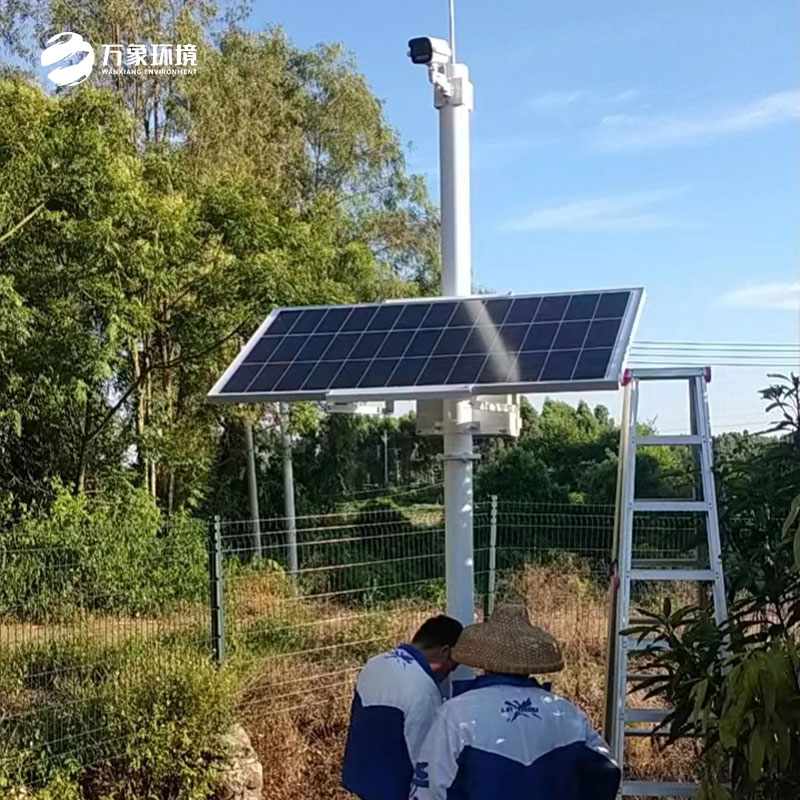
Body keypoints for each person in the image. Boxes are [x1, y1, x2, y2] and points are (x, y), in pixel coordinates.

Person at [410, 604, 620, 800]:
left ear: (482, 661)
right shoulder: (565, 713)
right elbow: (609, 770)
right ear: (532, 663)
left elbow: (431, 788)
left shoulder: (456, 713)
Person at [342, 614, 463, 800]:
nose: (447, 675)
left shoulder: (375, 663)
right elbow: (424, 762)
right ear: (445, 652)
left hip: (361, 775)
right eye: (452, 667)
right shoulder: (424, 691)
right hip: (395, 787)